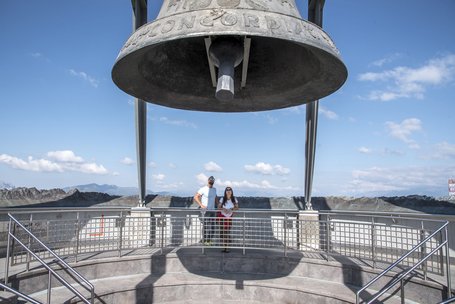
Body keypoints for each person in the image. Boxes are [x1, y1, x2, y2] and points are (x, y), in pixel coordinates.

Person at [194, 176, 218, 245]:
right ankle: (204, 240)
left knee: (213, 226)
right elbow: (196, 197)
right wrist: (201, 205)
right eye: (210, 180)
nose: (211, 181)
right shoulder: (203, 189)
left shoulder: (214, 189)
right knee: (206, 226)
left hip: (213, 210)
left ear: (213, 181)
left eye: (212, 180)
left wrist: (218, 204)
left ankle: (209, 240)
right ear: (208, 180)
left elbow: (215, 197)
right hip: (205, 211)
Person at [217, 186, 238, 253]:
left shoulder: (234, 199)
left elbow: (237, 207)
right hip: (222, 216)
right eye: (227, 190)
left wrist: (231, 209)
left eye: (230, 190)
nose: (228, 191)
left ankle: (226, 247)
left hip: (229, 217)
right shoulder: (222, 199)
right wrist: (224, 209)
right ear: (225, 192)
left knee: (226, 232)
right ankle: (225, 245)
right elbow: (218, 207)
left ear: (231, 191)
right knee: (222, 233)